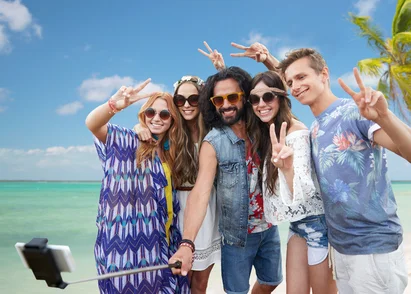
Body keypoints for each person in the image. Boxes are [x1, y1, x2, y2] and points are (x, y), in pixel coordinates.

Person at [276, 48, 411, 294]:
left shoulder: (354, 113)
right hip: (341, 249)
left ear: (324, 74)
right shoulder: (316, 129)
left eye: (301, 77)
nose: (295, 86)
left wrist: (384, 117)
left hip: (373, 249)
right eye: (290, 82)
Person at [170, 66, 282, 294]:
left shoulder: (262, 127)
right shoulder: (213, 142)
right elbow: (200, 192)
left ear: (245, 97)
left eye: (232, 97)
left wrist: (268, 61)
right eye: (218, 100)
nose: (226, 104)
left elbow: (281, 92)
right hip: (236, 236)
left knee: (272, 281)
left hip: (270, 227)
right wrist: (187, 243)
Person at [134, 42, 225, 294]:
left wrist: (221, 70)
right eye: (180, 99)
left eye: (194, 98)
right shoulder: (171, 132)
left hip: (207, 207)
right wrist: (138, 128)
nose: (187, 104)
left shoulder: (215, 132)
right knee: (176, 279)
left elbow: (233, 107)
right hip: (175, 209)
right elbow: (147, 130)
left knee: (200, 283)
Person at [85, 80, 190, 293]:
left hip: (164, 245)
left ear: (172, 121)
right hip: (125, 252)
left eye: (164, 114)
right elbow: (93, 124)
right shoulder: (126, 142)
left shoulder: (172, 154)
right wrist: (114, 106)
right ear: (143, 115)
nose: (157, 118)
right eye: (151, 112)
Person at [246, 70, 337, 294]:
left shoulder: (296, 132)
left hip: (319, 225)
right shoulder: (269, 133)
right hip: (297, 225)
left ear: (281, 98)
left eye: (268, 97)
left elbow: (305, 189)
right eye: (254, 99)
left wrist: (286, 168)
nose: (261, 104)